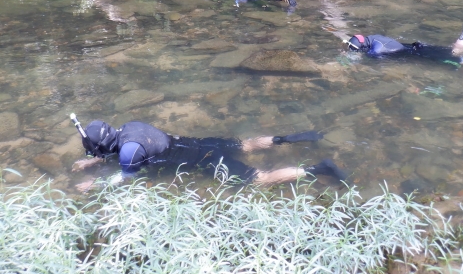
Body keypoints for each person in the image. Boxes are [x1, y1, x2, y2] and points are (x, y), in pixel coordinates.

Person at [70, 115, 347, 190]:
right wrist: (92, 161)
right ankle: (290, 139)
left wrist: (96, 183)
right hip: (198, 144)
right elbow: (121, 148)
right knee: (246, 144)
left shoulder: (129, 155)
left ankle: (318, 169)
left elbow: (126, 176)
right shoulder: (130, 127)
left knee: (260, 179)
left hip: (205, 161)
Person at [342, 20, 463, 66]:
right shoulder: (372, 38)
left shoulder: (375, 50)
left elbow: (370, 58)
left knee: (462, 61)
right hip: (417, 47)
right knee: (452, 51)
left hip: (419, 54)